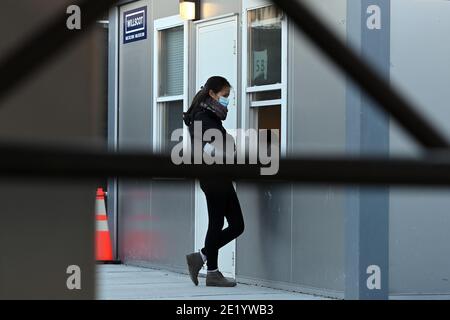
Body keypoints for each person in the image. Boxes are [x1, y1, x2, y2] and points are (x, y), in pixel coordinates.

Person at [184, 76, 245, 287]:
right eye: (225, 96)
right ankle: (211, 271)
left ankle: (202, 259)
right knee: (222, 224)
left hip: (220, 177)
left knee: (234, 225)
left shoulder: (210, 116)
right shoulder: (202, 118)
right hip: (214, 178)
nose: (227, 100)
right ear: (212, 94)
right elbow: (208, 149)